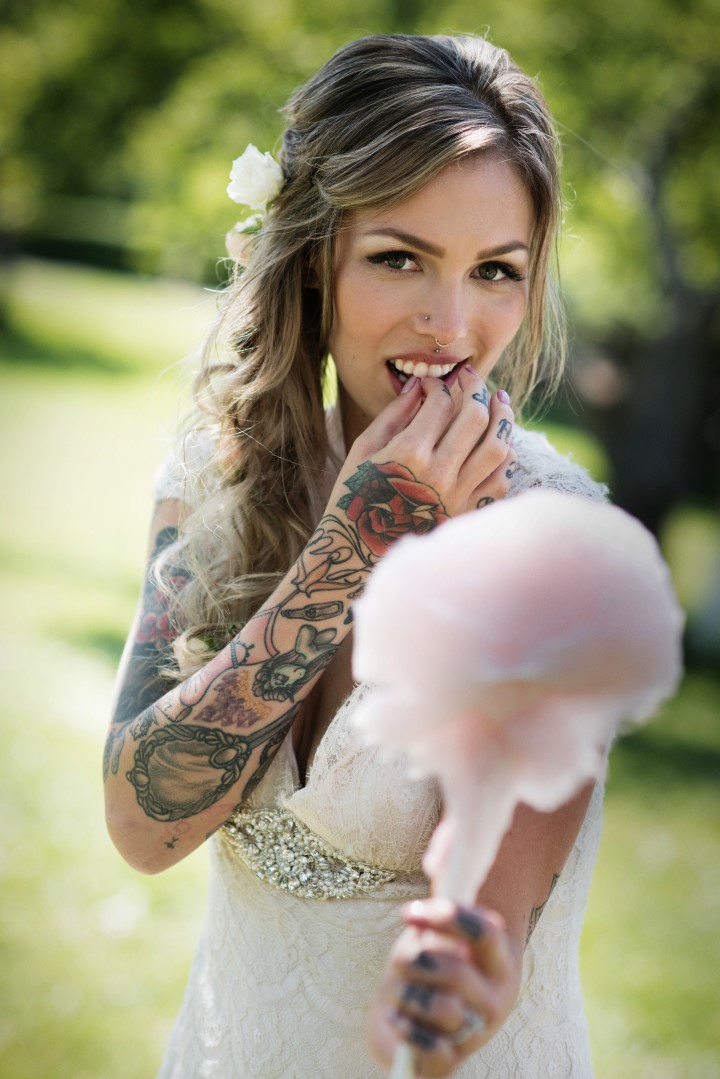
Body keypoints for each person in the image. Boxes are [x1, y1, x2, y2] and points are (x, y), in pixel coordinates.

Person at [104, 33, 610, 1078]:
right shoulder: (217, 481)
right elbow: (140, 825)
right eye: (399, 257)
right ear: (311, 259)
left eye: (496, 272)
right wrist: (347, 550)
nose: (453, 324)